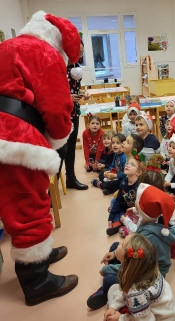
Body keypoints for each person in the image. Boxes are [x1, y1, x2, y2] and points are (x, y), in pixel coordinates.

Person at [0, 11, 80, 305]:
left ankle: (41, 255)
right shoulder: (45, 53)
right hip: (15, 137)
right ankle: (37, 281)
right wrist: (57, 139)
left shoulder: (6, 46)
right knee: (28, 204)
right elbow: (59, 109)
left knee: (14, 200)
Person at [86, 184, 175, 310]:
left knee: (109, 278)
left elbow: (134, 267)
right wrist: (114, 252)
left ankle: (107, 290)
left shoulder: (147, 237)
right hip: (141, 261)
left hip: (148, 275)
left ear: (142, 209)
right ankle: (112, 284)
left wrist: (109, 269)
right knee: (114, 246)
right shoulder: (152, 220)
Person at [104, 233, 175, 321]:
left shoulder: (135, 292)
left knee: (112, 290)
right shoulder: (149, 269)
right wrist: (114, 307)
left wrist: (121, 318)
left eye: (122, 243)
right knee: (113, 289)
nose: (119, 242)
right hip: (170, 314)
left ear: (127, 261)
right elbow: (123, 292)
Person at [59, 38, 90, 190]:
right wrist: (67, 97)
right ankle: (51, 188)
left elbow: (74, 88)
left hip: (74, 112)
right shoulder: (57, 67)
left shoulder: (76, 68)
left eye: (82, 53)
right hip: (59, 114)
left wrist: (82, 94)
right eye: (78, 52)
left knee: (71, 147)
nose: (79, 56)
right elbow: (48, 93)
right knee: (59, 149)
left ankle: (71, 178)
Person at [106, 153, 144, 236]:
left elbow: (142, 207)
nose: (128, 165)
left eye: (132, 165)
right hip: (125, 208)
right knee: (114, 201)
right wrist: (111, 217)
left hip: (136, 211)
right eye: (127, 163)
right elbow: (119, 201)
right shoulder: (123, 183)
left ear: (138, 172)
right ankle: (117, 222)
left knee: (131, 217)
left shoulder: (140, 186)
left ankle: (124, 224)